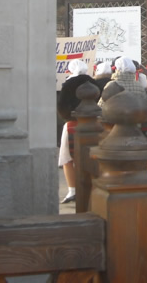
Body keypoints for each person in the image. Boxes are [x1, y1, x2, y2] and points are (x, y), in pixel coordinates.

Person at [57, 59, 99, 204]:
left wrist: (68, 116)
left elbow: (62, 106)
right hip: (93, 123)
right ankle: (91, 187)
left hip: (72, 122)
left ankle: (72, 190)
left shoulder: (68, 84)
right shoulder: (93, 82)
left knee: (67, 158)